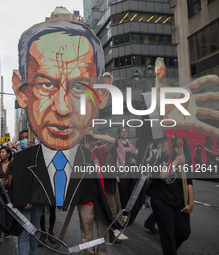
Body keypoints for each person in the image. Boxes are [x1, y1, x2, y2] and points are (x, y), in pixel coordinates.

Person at [11, 20, 110, 208]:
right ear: (21, 92)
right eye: (47, 85)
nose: (63, 109)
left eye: (79, 87)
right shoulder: (21, 163)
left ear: (102, 94)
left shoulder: (94, 160)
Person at [150, 133, 194, 255]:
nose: (160, 145)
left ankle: (170, 248)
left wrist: (191, 203)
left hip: (179, 201)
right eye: (159, 142)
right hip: (161, 201)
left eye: (163, 142)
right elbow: (161, 175)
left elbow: (188, 183)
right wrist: (175, 162)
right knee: (168, 234)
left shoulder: (182, 158)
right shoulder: (156, 158)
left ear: (171, 143)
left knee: (184, 232)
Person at [77, 127, 115, 255]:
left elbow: (112, 141)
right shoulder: (78, 153)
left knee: (103, 229)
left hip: (100, 196)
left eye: (94, 140)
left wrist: (94, 135)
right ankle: (89, 253)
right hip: (85, 198)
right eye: (89, 140)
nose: (92, 142)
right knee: (87, 231)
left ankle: (102, 253)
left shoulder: (99, 151)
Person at [116, 127, 137, 222]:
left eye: (125, 131)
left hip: (131, 171)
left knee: (130, 192)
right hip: (122, 171)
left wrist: (135, 161)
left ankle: (128, 212)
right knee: (123, 193)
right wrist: (119, 169)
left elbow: (135, 154)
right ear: (119, 134)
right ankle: (124, 213)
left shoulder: (130, 143)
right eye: (122, 132)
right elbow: (116, 157)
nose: (124, 133)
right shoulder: (117, 144)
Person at [0, 146, 12, 245]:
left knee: (8, 212)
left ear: (8, 154)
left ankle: (6, 231)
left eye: (3, 152)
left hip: (9, 192)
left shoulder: (12, 165)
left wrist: (9, 181)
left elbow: (16, 176)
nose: (1, 153)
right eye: (0, 152)